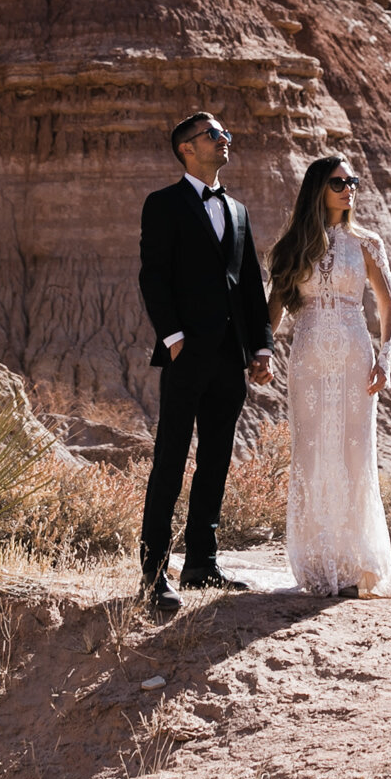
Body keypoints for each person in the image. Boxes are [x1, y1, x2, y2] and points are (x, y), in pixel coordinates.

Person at [135, 110, 276, 613]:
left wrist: (261, 347)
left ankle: (201, 562)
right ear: (187, 148)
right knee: (170, 461)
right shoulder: (163, 204)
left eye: (226, 133)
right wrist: (173, 338)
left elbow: (252, 286)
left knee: (216, 459)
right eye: (214, 135)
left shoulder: (237, 209)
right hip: (186, 354)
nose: (224, 140)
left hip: (230, 358)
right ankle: (153, 575)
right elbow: (154, 276)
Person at [268, 154, 391, 599]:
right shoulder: (294, 245)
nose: (349, 189)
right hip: (306, 358)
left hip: (353, 357)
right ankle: (315, 562)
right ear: (318, 189)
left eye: (353, 182)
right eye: (339, 182)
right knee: (311, 452)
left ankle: (353, 563)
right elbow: (276, 307)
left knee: (351, 452)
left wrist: (385, 358)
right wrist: (263, 352)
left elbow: (388, 307)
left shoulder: (367, 243)